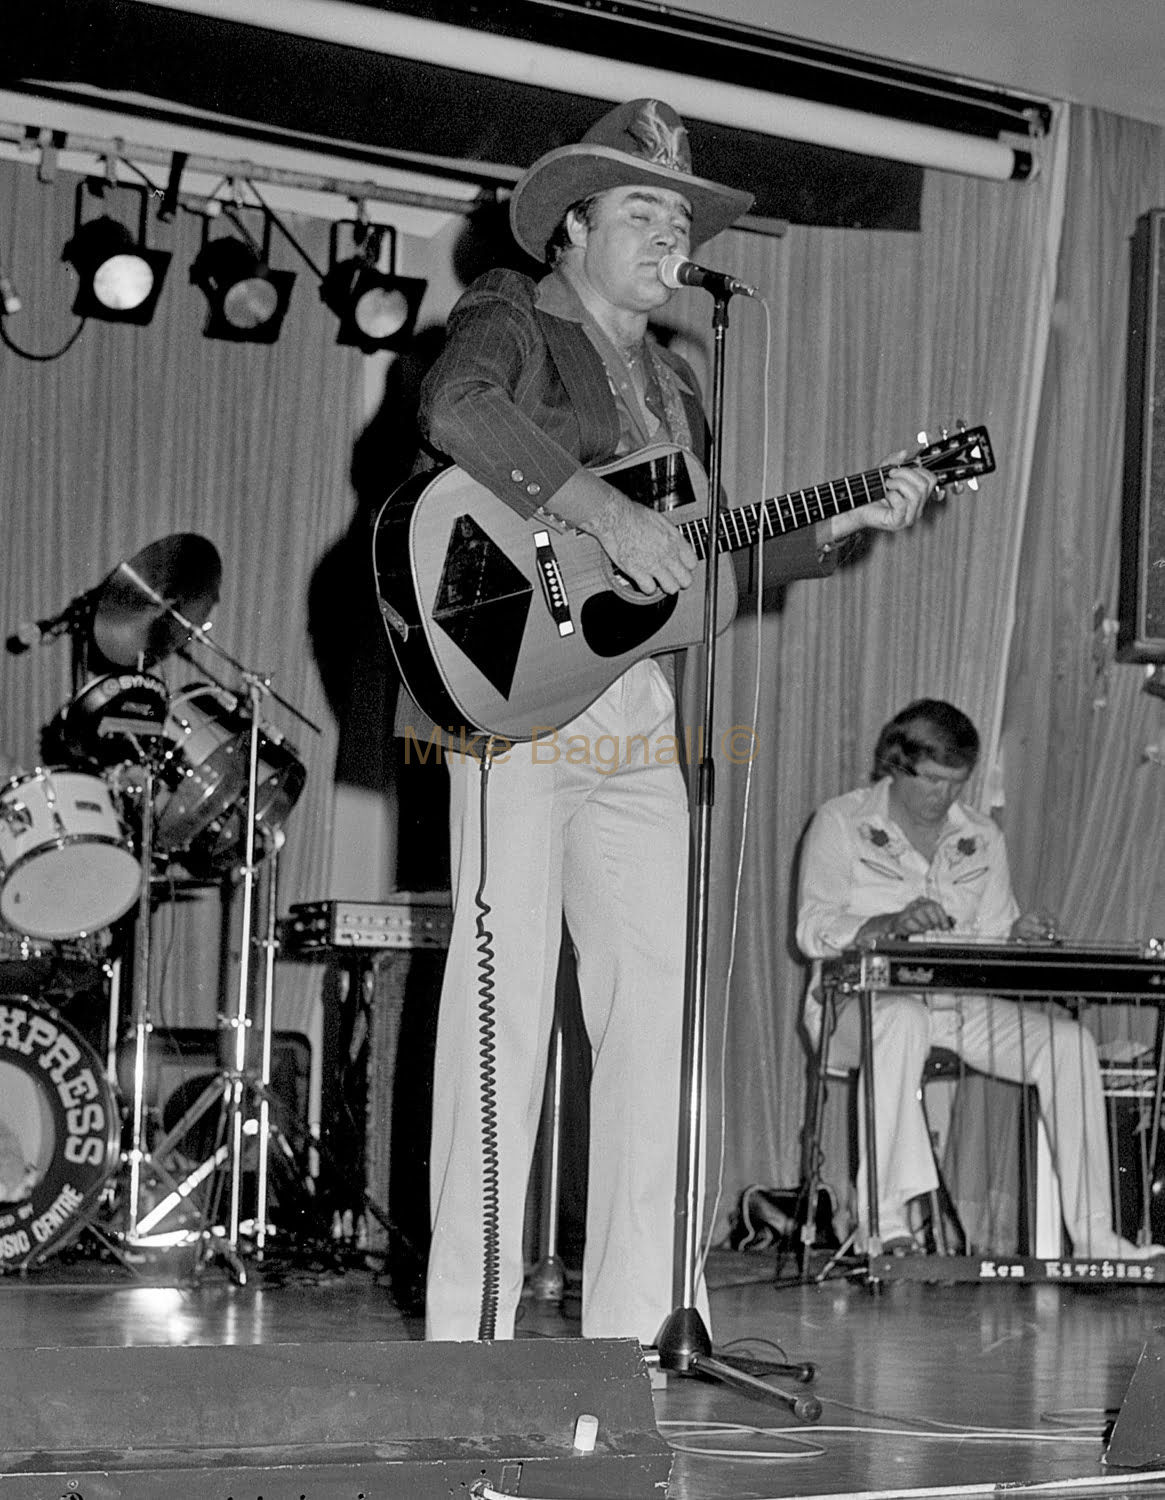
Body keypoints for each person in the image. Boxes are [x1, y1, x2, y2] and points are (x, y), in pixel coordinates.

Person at [406, 97, 937, 1344]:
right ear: (570, 230)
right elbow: (456, 415)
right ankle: (467, 1342)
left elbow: (678, 574)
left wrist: (828, 534)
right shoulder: (510, 313)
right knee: (501, 1014)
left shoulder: (684, 378)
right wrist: (599, 507)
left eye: (679, 216)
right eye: (641, 210)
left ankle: (641, 1329)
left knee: (653, 1016)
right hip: (513, 696)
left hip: (635, 707)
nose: (668, 233)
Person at [796, 698, 1163, 1261]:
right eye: (932, 781)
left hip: (955, 1006)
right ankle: (883, 1224)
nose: (943, 798)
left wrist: (1018, 935)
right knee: (902, 1019)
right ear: (895, 764)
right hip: (852, 1010)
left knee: (1068, 1045)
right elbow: (811, 930)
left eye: (956, 784)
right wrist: (887, 924)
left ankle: (1095, 1234)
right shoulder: (841, 822)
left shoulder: (982, 836)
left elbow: (990, 937)